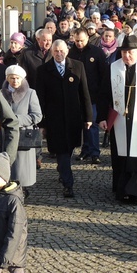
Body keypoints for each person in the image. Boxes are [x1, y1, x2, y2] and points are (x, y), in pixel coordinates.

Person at [36, 39, 92, 198]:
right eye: (56, 51)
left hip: (74, 117)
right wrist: (41, 122)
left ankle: (62, 169)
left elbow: (84, 93)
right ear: (51, 52)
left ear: (67, 51)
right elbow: (40, 98)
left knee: (69, 149)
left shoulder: (78, 66)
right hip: (54, 119)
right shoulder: (43, 70)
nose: (59, 54)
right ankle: (68, 184)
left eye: (61, 51)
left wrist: (88, 116)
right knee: (61, 150)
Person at [104, 34, 137, 202]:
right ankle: (120, 189)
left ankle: (136, 191)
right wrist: (103, 118)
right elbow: (103, 94)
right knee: (120, 155)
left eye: (130, 52)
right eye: (124, 52)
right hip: (119, 117)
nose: (127, 55)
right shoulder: (112, 67)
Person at [69, 28, 109, 164]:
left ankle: (94, 152)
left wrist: (101, 93)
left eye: (82, 40)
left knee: (92, 124)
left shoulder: (96, 52)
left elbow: (103, 74)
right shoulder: (70, 53)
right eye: (77, 40)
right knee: (81, 124)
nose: (79, 43)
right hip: (75, 95)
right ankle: (85, 150)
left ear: (87, 38)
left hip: (92, 94)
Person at [1, 65, 42, 197]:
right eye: (12, 78)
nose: (15, 81)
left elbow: (37, 115)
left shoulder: (30, 93)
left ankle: (21, 189)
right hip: (4, 134)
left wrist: (16, 119)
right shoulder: (0, 93)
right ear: (7, 78)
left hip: (23, 135)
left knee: (20, 168)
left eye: (18, 78)